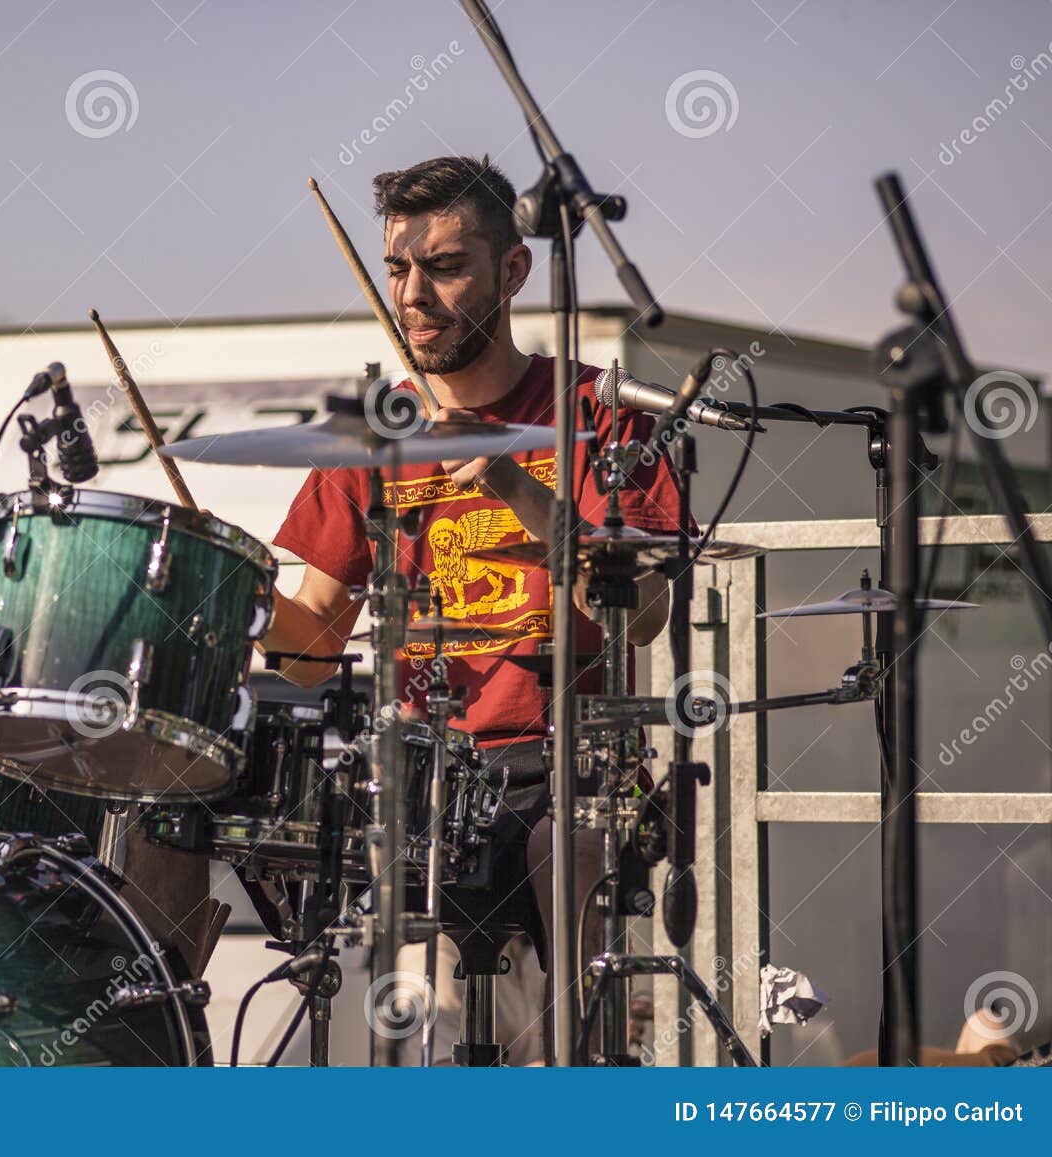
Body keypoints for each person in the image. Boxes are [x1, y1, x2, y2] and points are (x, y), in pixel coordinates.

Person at [260, 154, 686, 1060]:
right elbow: (311, 652)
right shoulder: (373, 437)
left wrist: (515, 487)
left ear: (514, 271)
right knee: (430, 1034)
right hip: (428, 785)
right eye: (399, 270)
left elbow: (641, 613)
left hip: (570, 772)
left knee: (555, 973)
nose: (415, 293)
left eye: (446, 266)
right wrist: (232, 601)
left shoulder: (595, 415)